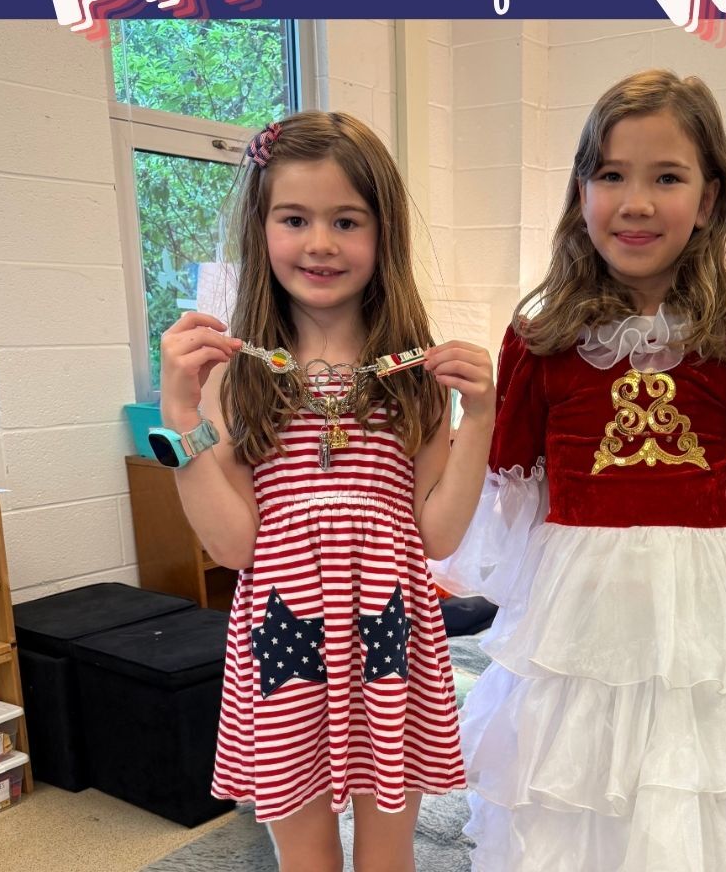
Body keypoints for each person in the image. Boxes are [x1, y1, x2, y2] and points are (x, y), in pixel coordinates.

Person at [432, 70, 726, 871]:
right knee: (572, 769)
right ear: (581, 193)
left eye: (667, 177)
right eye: (612, 175)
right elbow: (511, 488)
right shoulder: (536, 341)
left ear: (708, 200)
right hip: (580, 593)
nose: (636, 202)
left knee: (701, 768)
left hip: (702, 592)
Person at [157, 111, 495, 872]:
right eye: (295, 218)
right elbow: (233, 544)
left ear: (383, 235)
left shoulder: (412, 380)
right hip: (284, 647)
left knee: (387, 855)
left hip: (390, 642)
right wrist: (177, 414)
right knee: (305, 859)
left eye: (347, 220)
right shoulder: (236, 378)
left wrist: (481, 418)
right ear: (262, 229)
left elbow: (435, 535)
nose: (320, 243)